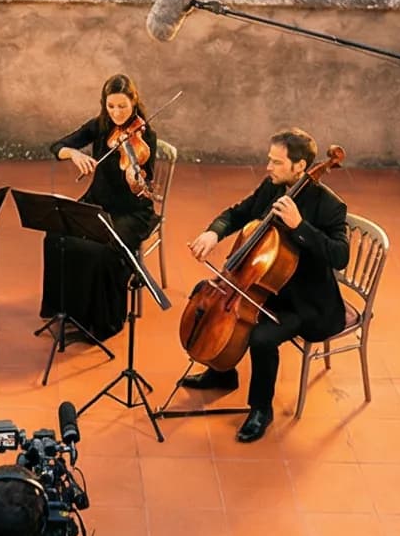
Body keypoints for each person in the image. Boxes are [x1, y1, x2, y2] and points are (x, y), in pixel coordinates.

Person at [184, 128, 348, 444]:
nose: (268, 167)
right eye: (269, 160)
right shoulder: (272, 188)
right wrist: (213, 233)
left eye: (276, 162)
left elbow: (339, 256)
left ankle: (261, 410)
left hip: (304, 300)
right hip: (262, 285)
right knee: (208, 299)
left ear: (300, 166)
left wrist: (300, 226)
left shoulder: (330, 206)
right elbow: (239, 213)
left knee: (261, 337)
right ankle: (222, 370)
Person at [40, 75, 161, 343]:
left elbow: (142, 182)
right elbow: (57, 146)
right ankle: (67, 310)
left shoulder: (145, 135)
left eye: (123, 107)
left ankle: (102, 320)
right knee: (55, 236)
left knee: (101, 251)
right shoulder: (100, 125)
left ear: (134, 103)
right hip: (97, 201)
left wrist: (136, 178)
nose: (117, 113)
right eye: (111, 107)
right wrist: (75, 154)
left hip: (131, 211)